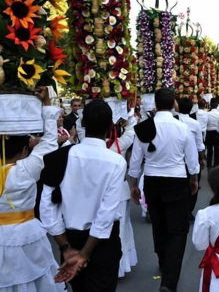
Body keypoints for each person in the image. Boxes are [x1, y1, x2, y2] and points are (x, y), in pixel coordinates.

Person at [40, 99, 127, 292]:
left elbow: (47, 208)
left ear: (83, 123)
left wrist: (66, 248)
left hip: (70, 239)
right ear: (110, 126)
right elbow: (106, 213)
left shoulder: (59, 156)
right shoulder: (116, 162)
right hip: (101, 244)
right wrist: (84, 254)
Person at [128, 90, 199, 292]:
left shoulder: (143, 128)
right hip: (177, 180)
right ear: (174, 104)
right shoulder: (182, 128)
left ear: (156, 104)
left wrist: (133, 185)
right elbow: (192, 160)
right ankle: (169, 280)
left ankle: (162, 257)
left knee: (158, 224)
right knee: (177, 230)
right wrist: (193, 179)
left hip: (152, 181)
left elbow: (135, 161)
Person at [0, 87, 65, 292]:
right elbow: (50, 142)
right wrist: (46, 105)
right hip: (26, 233)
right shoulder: (26, 169)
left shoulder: (26, 169)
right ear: (24, 148)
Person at [106, 109, 139, 278]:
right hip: (119, 192)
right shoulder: (121, 143)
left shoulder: (84, 143)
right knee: (121, 228)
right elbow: (132, 129)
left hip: (100, 193)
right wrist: (130, 111)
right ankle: (120, 265)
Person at [178, 98, 207, 221]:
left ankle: (180, 210)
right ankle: (188, 210)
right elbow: (200, 145)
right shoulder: (194, 124)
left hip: (178, 158)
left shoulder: (176, 121)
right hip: (193, 158)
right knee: (192, 186)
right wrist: (203, 158)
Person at [206, 98, 219, 169]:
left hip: (209, 133)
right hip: (217, 133)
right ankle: (216, 164)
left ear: (210, 105)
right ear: (217, 106)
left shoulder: (207, 114)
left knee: (209, 150)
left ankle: (209, 165)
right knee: (217, 150)